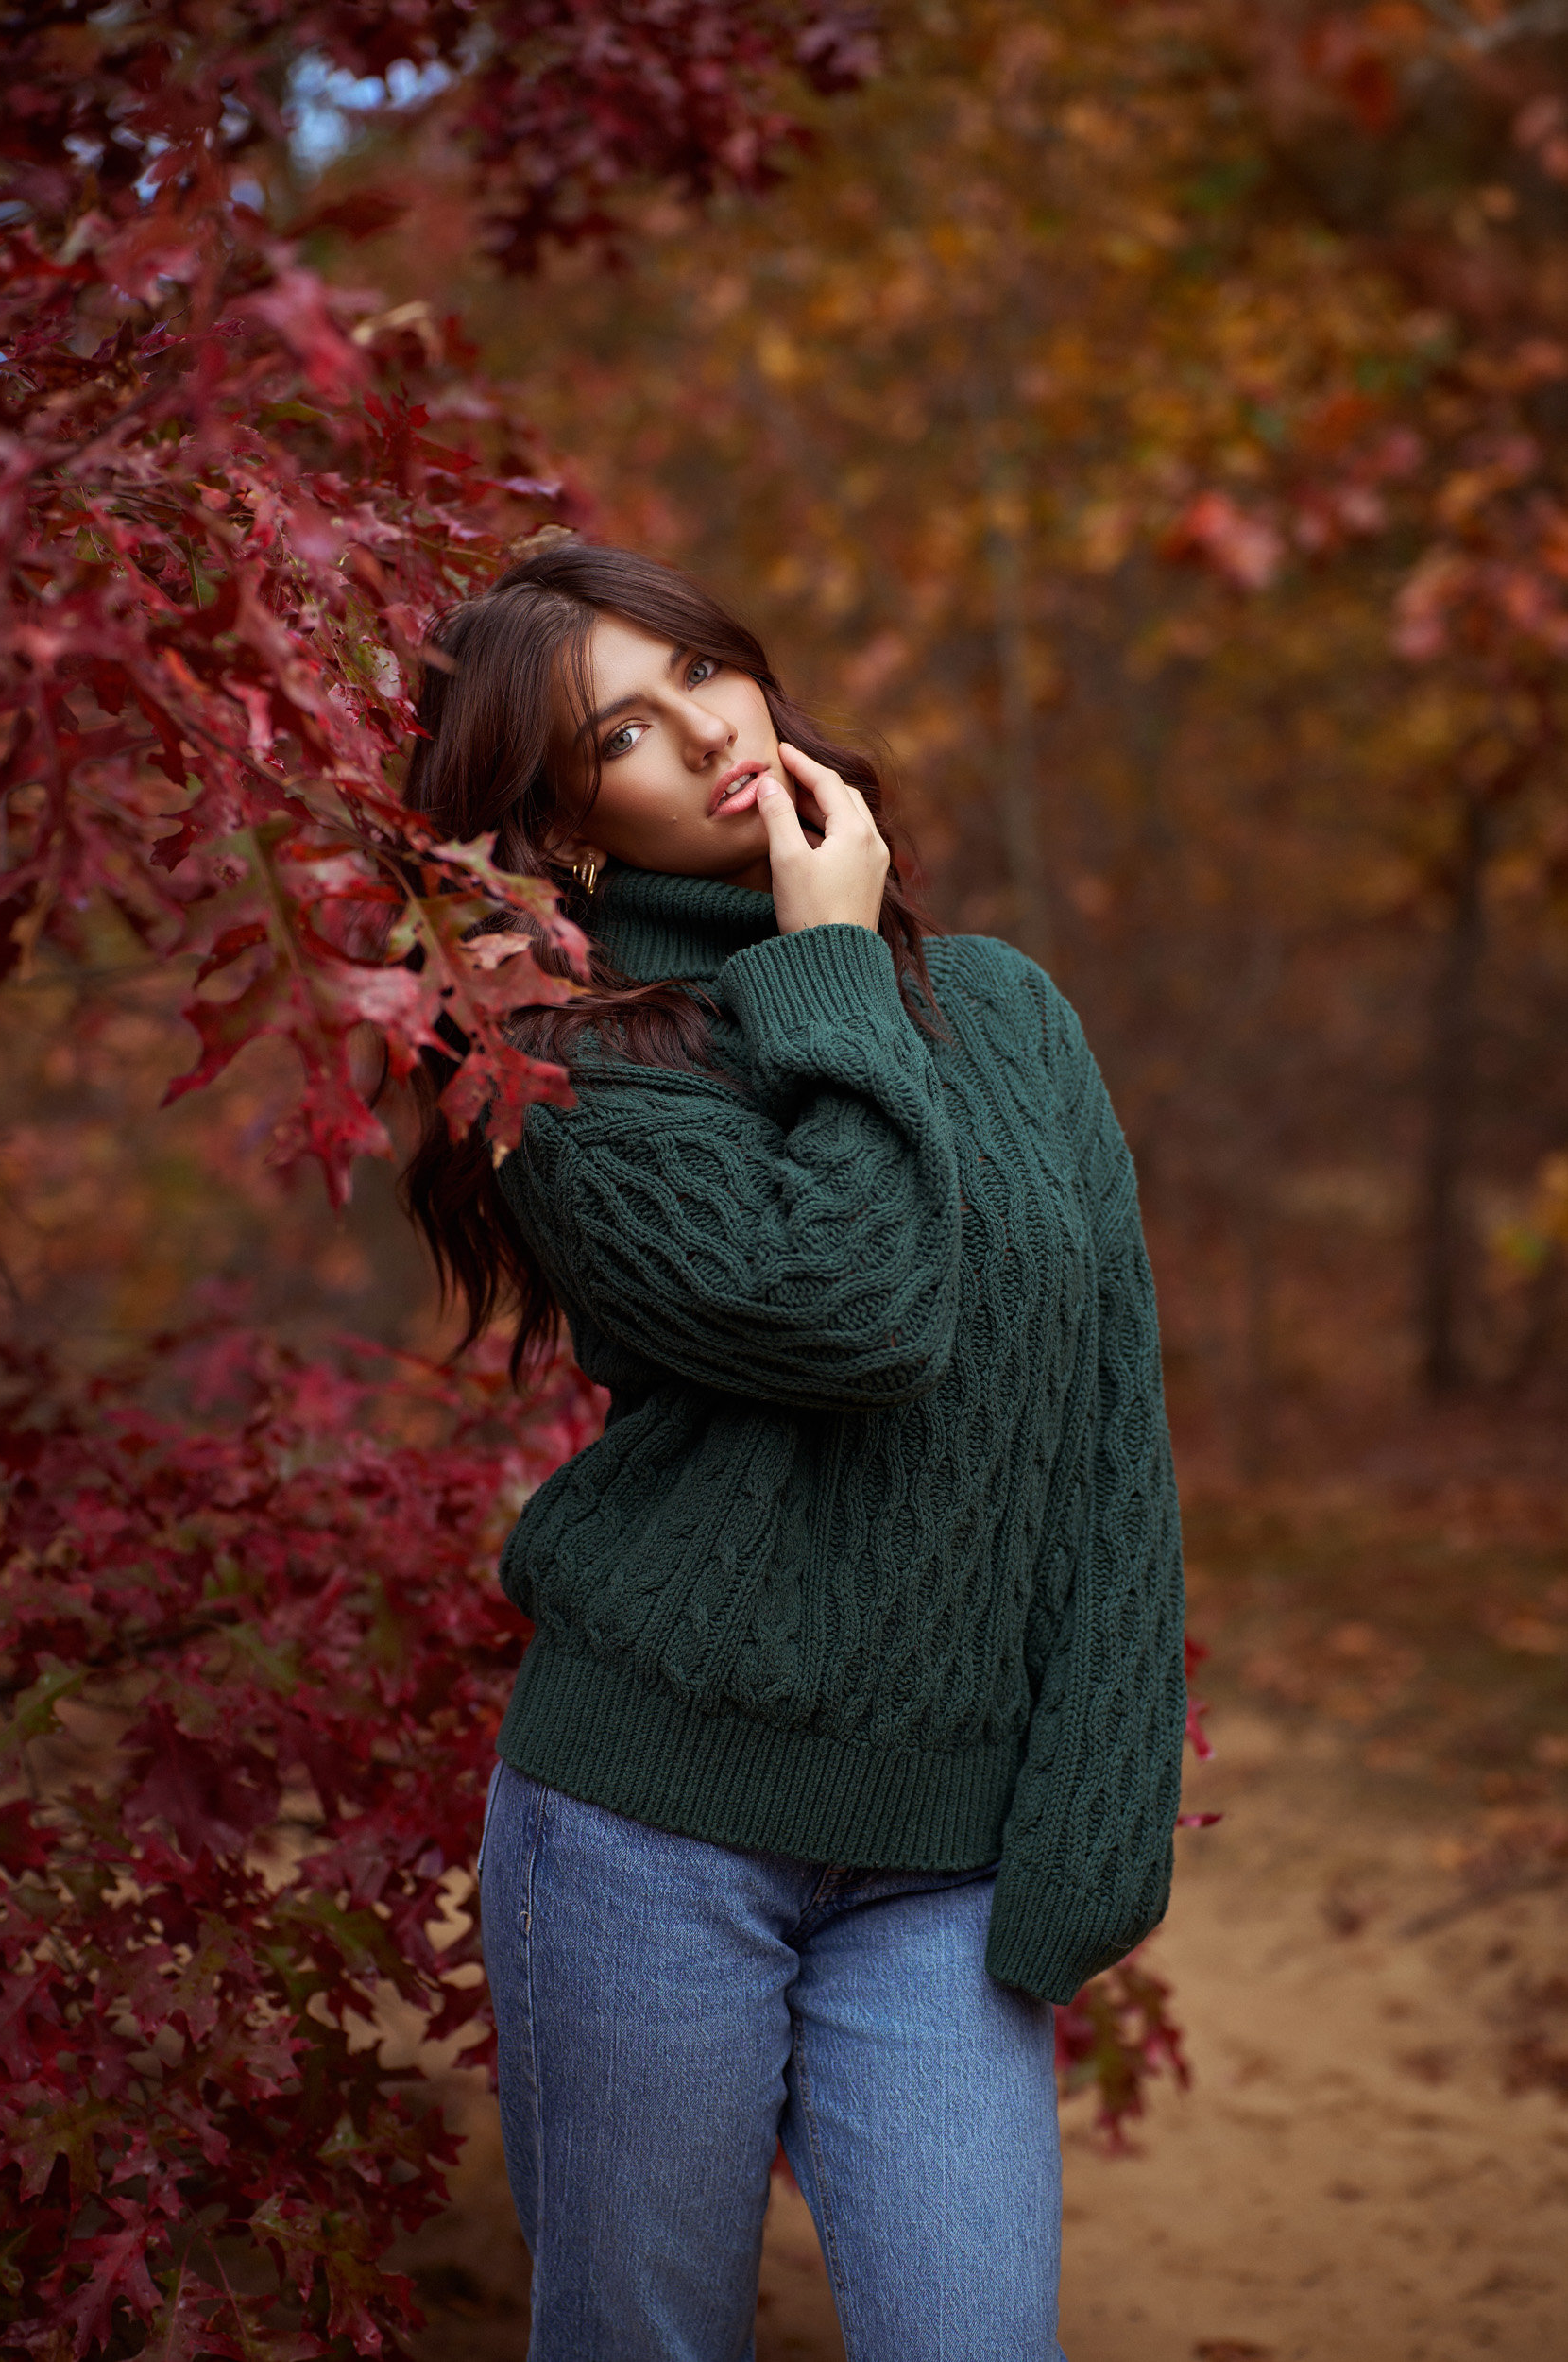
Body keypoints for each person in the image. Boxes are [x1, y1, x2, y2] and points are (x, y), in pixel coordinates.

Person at [401, 540, 1187, 2362]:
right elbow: (854, 1311)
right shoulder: (563, 1065)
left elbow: (1106, 1423)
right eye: (623, 731)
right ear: (562, 818)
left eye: (696, 673)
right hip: (647, 1827)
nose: (704, 732)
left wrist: (1101, 1796)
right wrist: (825, 950)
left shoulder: (1004, 1011)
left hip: (945, 1854)